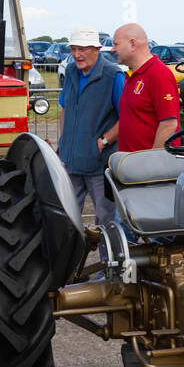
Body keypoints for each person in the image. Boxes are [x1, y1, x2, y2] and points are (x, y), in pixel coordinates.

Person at [58, 26, 125, 235]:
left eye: (83, 49)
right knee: (66, 220)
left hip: (99, 166)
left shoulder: (113, 76)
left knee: (106, 221)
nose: (77, 55)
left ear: (96, 49)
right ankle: (70, 264)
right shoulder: (71, 71)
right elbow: (64, 107)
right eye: (74, 49)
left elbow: (127, 117)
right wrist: (63, 141)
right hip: (71, 163)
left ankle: (109, 266)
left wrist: (103, 142)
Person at [112, 23, 180, 152]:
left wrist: (150, 165)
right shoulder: (132, 76)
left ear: (132, 44)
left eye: (116, 44)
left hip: (149, 169)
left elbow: (169, 124)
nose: (112, 49)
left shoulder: (158, 73)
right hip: (132, 166)